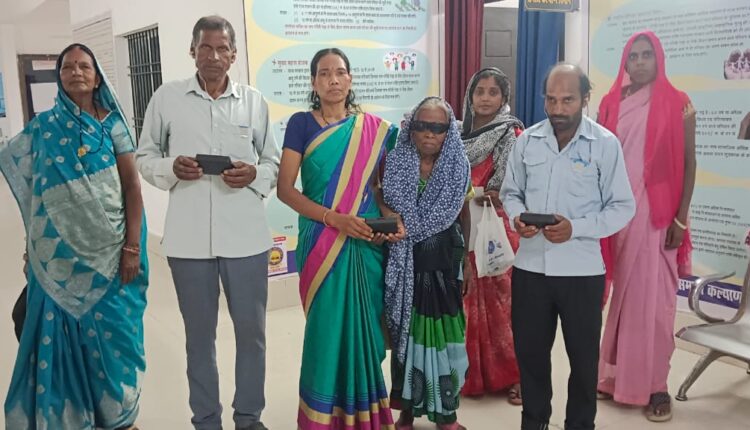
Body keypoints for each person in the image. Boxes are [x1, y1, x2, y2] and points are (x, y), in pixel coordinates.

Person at [135, 16, 280, 430]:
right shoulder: (167, 98)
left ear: (233, 55)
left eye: (222, 48)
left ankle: (249, 418)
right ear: (192, 51)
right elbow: (145, 156)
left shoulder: (253, 102)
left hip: (246, 240)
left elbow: (272, 162)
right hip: (189, 242)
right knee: (199, 339)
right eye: (205, 47)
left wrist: (254, 175)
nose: (213, 56)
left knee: (252, 336)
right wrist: (171, 167)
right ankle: (206, 420)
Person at [0, 43, 148, 430]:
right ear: (59, 76)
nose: (76, 72)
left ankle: (118, 417)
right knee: (47, 329)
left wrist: (132, 247)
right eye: (68, 67)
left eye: (84, 66)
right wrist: (32, 249)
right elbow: (36, 195)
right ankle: (73, 416)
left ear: (97, 77)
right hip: (58, 259)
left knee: (115, 336)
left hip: (113, 251)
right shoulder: (43, 128)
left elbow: (132, 187)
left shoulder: (113, 125)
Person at [500, 64, 635, 430]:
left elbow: (623, 207)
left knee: (583, 361)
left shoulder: (605, 144)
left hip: (582, 272)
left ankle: (580, 425)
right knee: (531, 357)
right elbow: (511, 193)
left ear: (585, 99)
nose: (558, 109)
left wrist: (576, 228)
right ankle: (534, 422)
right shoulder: (527, 141)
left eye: (567, 100)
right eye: (551, 99)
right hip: (531, 269)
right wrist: (517, 217)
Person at [276, 47, 403, 430]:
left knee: (364, 330)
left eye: (340, 72)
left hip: (363, 241)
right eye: (324, 73)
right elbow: (286, 190)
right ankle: (320, 419)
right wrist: (334, 219)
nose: (333, 79)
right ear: (314, 82)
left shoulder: (373, 130)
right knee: (326, 330)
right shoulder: (301, 124)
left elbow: (378, 188)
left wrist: (389, 220)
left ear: (350, 79)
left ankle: (365, 416)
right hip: (321, 240)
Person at [597, 31, 697, 422]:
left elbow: (688, 163)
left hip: (659, 219)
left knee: (656, 306)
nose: (639, 62)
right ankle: (614, 379)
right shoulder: (610, 104)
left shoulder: (679, 103)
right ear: (625, 62)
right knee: (623, 302)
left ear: (659, 59)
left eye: (646, 55)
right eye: (633, 56)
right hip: (618, 218)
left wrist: (680, 219)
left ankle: (656, 386)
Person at [383, 97, 473, 430]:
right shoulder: (396, 162)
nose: (429, 134)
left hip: (444, 265)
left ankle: (446, 414)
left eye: (437, 127)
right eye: (422, 126)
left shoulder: (458, 165)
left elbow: (463, 215)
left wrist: (467, 261)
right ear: (411, 127)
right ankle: (406, 411)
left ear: (449, 131)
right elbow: (383, 202)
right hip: (405, 262)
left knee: (445, 337)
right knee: (406, 336)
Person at [460, 67, 524, 404]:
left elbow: (516, 182)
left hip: (497, 226)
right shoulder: (457, 135)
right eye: (479, 91)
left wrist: (493, 193)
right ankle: (471, 373)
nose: (485, 98)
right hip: (463, 223)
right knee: (468, 298)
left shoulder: (511, 133)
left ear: (504, 98)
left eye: (493, 92)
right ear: (470, 96)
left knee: (504, 303)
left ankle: (516, 376)